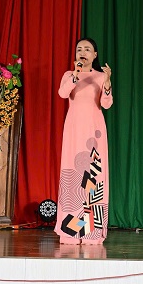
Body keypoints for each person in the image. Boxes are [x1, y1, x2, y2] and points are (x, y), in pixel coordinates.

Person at [55, 38, 113, 245]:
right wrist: (76, 74)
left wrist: (107, 83)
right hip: (74, 131)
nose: (83, 52)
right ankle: (71, 231)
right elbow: (63, 93)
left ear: (94, 55)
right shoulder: (69, 75)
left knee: (92, 178)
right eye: (79, 49)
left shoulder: (100, 76)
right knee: (73, 175)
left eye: (87, 49)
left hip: (94, 133)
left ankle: (90, 232)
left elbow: (106, 104)